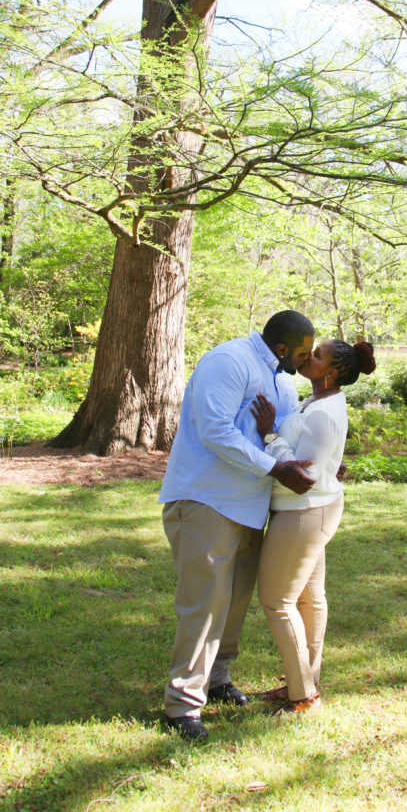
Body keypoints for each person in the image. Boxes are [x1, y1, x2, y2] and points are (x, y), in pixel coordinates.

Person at [159, 310, 317, 739]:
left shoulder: (281, 379)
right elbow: (215, 431)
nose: (305, 362)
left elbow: (282, 436)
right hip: (206, 499)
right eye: (302, 353)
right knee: (204, 603)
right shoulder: (229, 361)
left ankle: (217, 679)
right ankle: (182, 705)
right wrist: (274, 468)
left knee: (235, 601)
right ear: (282, 347)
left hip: (250, 507)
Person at [250, 338, 376, 715]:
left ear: (332, 373)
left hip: (304, 511)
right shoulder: (316, 401)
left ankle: (304, 695)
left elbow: (303, 476)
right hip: (311, 508)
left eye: (317, 356)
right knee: (308, 599)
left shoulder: (324, 411)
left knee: (276, 601)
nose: (309, 357)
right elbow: (320, 460)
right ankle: (303, 681)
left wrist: (269, 434)